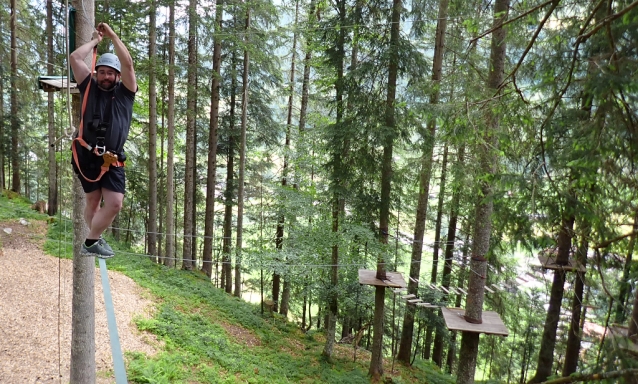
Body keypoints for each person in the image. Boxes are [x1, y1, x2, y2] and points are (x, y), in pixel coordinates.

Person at [70, 22, 137, 258]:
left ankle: (91, 240)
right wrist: (95, 42)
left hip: (112, 158)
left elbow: (127, 63)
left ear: (118, 76)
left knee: (115, 203)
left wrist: (113, 36)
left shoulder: (125, 93)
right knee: (92, 201)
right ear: (96, 72)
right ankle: (94, 238)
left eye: (110, 73)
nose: (106, 76)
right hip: (86, 154)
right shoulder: (88, 85)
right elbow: (75, 57)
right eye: (102, 71)